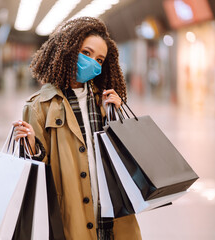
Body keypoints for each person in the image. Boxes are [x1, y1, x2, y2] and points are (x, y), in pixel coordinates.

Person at [13, 17, 142, 240]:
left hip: (112, 212)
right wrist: (33, 147)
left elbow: (125, 160)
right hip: (71, 215)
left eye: (100, 60)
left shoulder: (104, 102)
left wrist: (117, 116)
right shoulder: (39, 107)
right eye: (87, 53)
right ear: (69, 50)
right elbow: (35, 176)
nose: (93, 62)